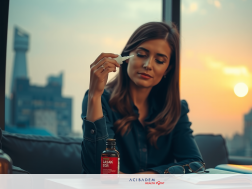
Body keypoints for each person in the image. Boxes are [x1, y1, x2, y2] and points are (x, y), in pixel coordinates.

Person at [81, 22, 204, 174]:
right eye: (141, 54)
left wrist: (140, 179)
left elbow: (195, 164)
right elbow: (97, 171)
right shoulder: (100, 100)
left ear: (168, 69)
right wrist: (94, 96)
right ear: (126, 57)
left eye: (159, 61)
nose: (148, 65)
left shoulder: (175, 109)